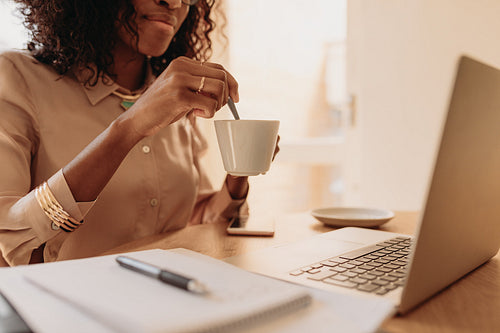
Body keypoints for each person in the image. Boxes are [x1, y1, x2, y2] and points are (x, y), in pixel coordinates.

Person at [0, 0, 254, 266]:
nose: (174, 2)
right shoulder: (17, 78)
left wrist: (239, 175)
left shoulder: (173, 96)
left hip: (169, 298)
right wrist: (129, 128)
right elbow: (11, 247)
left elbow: (193, 220)